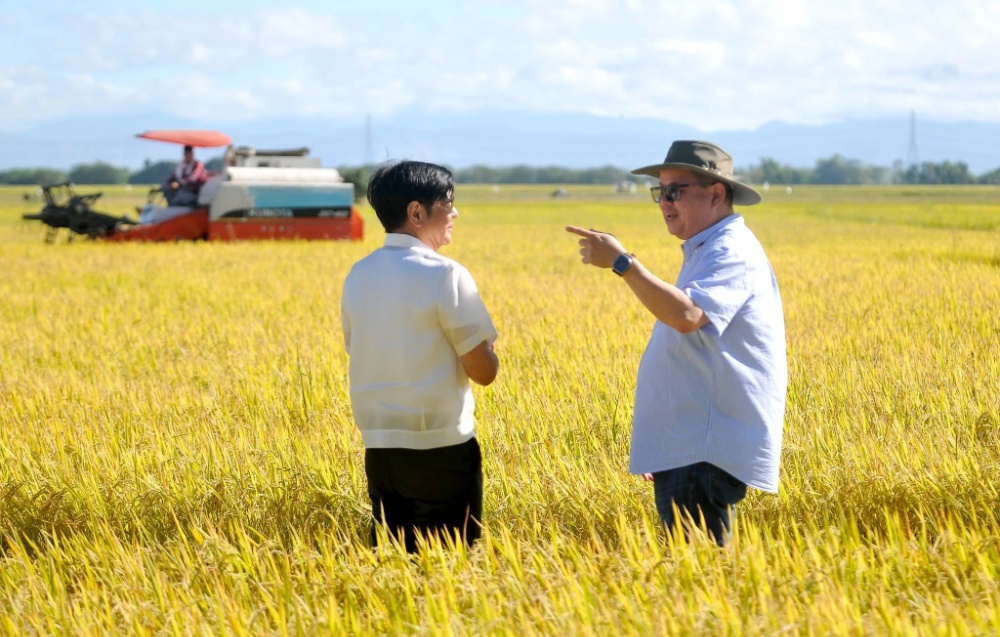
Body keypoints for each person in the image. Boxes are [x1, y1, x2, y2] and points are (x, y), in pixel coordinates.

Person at [566, 140, 787, 547]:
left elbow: (687, 316)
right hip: (689, 446)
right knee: (694, 581)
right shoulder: (707, 248)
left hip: (703, 452)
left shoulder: (730, 249)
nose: (664, 202)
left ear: (716, 194)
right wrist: (666, 445)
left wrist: (623, 263)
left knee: (698, 580)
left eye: (674, 191)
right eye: (659, 192)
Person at [341, 160, 500, 553]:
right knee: (450, 574)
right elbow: (483, 371)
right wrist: (488, 351)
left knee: (396, 570)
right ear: (417, 212)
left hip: (380, 452)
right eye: (448, 202)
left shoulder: (358, 274)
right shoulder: (445, 274)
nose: (455, 212)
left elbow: (358, 348)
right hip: (441, 452)